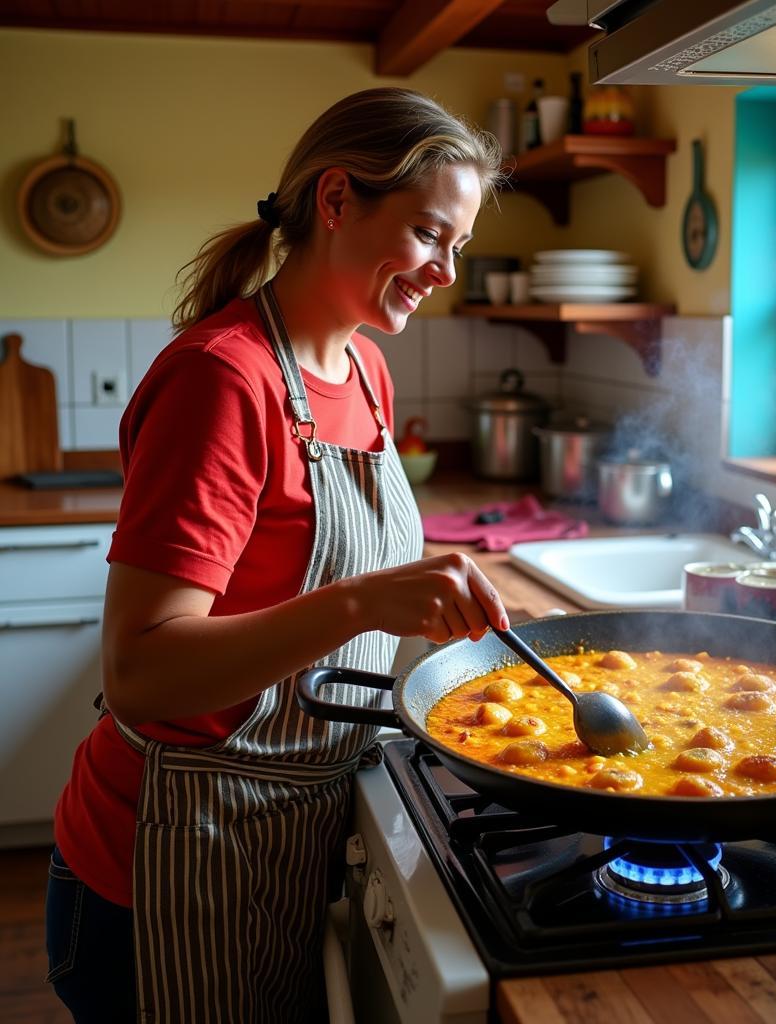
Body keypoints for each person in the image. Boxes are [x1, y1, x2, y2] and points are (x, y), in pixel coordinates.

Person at [45, 87, 509, 1023]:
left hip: (291, 832)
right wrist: (361, 605)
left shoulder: (367, 369)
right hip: (169, 856)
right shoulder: (223, 380)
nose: (443, 271)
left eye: (456, 246)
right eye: (428, 235)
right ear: (336, 201)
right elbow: (139, 670)